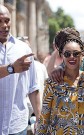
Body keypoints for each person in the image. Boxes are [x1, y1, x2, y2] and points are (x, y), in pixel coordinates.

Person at [36, 27, 84, 134]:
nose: (72, 57)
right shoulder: (53, 82)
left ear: (82, 54)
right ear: (62, 55)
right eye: (67, 54)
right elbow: (44, 117)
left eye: (76, 53)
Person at [0, 4, 40, 134]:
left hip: (17, 125)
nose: (4, 25)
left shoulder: (24, 49)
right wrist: (11, 68)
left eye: (7, 20)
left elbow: (33, 87)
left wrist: (39, 118)